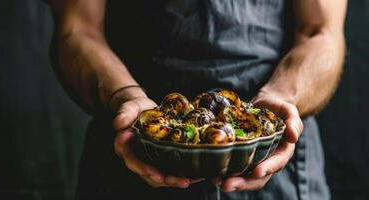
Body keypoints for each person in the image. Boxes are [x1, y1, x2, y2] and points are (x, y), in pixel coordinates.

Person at [50, 0, 346, 199]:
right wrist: (123, 96)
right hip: (132, 147)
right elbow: (77, 29)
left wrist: (282, 98)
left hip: (274, 161)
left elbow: (321, 31)